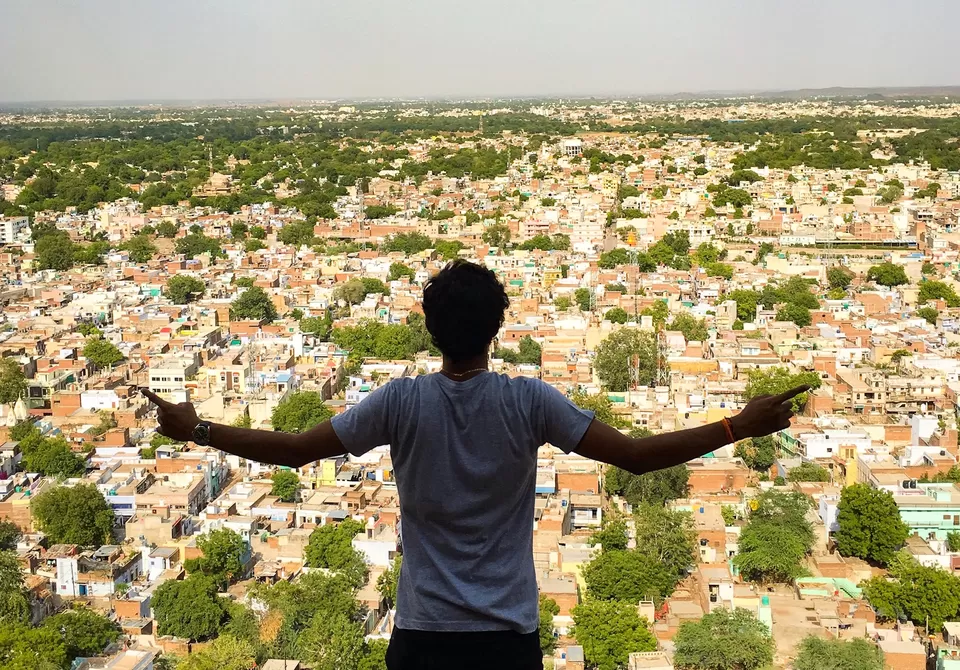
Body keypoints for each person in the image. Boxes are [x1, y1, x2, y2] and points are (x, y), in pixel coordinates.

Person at [143, 259, 807, 670]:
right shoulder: (528, 403)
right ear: (497, 329)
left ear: (431, 329)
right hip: (504, 637)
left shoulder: (399, 404)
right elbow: (633, 457)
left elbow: (293, 450)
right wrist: (735, 426)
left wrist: (194, 426)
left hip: (424, 635)